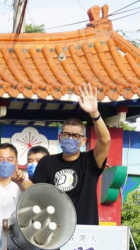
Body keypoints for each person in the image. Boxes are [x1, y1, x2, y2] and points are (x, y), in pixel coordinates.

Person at [31, 83, 111, 225]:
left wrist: (94, 114)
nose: (70, 138)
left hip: (85, 233)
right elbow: (37, 193)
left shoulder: (91, 161)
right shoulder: (47, 162)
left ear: (83, 140)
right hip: (54, 230)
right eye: (66, 134)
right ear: (60, 137)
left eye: (75, 136)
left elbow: (105, 140)